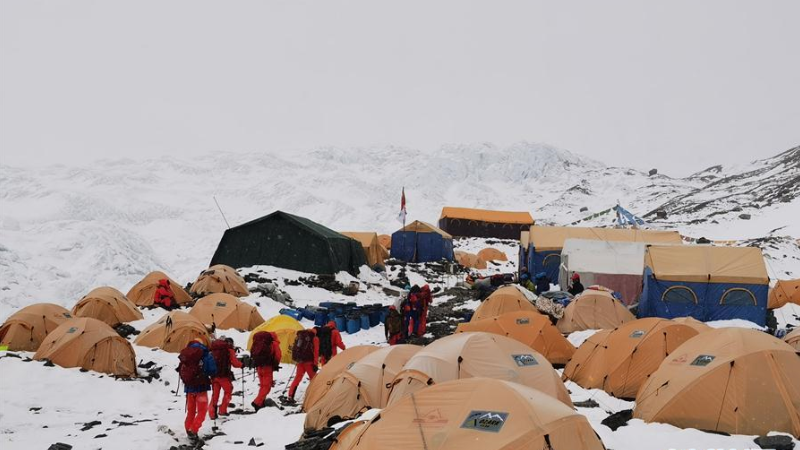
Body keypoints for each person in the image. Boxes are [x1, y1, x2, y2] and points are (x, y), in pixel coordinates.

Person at [178, 338, 217, 443]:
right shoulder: (205, 353)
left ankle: (188, 430)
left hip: (189, 388)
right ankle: (193, 430)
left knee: (191, 411)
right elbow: (212, 370)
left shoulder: (186, 353)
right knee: (202, 411)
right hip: (201, 387)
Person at [207, 337, 242, 419]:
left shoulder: (214, 350)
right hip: (223, 376)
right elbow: (235, 363)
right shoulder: (229, 350)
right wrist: (242, 365)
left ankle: (212, 412)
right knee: (228, 391)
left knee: (215, 394)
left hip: (214, 376)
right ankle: (222, 409)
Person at [285, 328, 319, 404]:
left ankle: (290, 395)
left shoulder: (300, 336)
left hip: (300, 361)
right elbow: (316, 352)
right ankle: (313, 396)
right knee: (313, 379)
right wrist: (315, 364)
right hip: (309, 362)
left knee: (297, 378)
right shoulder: (314, 338)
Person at [250, 331, 281, 411]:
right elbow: (278, 356)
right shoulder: (274, 343)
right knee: (267, 387)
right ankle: (257, 402)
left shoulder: (259, 342)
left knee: (263, 386)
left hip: (259, 366)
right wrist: (275, 365)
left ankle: (261, 402)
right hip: (267, 367)